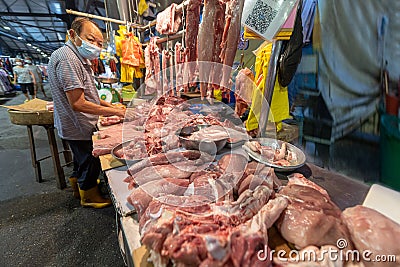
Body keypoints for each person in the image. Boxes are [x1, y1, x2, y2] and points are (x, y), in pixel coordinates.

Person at [48, 17, 125, 208]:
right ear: (73, 35)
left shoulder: (75, 57)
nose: (96, 46)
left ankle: (78, 186)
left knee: (80, 159)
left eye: (99, 43)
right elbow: (78, 103)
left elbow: (88, 94)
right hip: (76, 122)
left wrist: (111, 107)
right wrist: (115, 113)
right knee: (87, 160)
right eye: (91, 40)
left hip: (74, 122)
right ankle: (89, 196)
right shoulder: (68, 59)